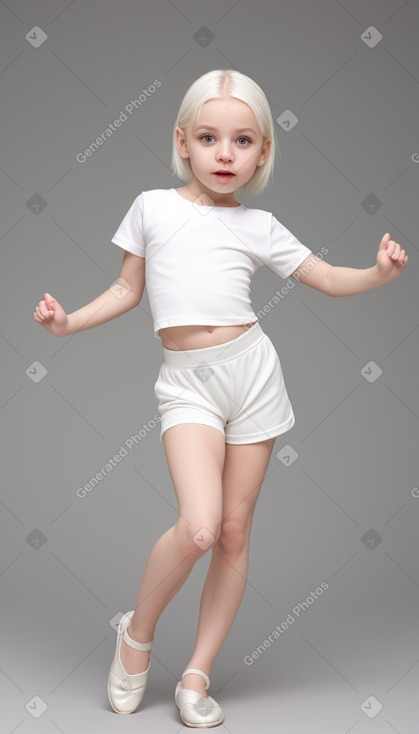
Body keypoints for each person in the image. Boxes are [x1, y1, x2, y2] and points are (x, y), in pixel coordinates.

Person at [33, 69, 408, 728]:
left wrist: (376, 274)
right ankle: (136, 634)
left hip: (253, 376)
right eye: (209, 138)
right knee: (199, 525)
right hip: (187, 383)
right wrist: (68, 323)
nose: (224, 153)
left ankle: (196, 676)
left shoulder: (259, 226)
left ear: (262, 151)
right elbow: (126, 291)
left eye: (241, 140)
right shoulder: (151, 207)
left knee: (232, 534)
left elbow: (321, 276)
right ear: (182, 141)